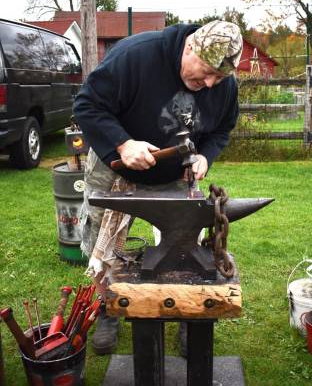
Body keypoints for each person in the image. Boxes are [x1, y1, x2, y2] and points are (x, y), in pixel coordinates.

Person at [73, 19, 243, 356]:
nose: (210, 83)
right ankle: (107, 308)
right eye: (207, 71)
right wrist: (122, 144)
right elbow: (87, 106)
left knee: (184, 246)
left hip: (175, 174)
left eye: (219, 78)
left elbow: (222, 129)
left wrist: (205, 156)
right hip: (114, 165)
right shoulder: (135, 56)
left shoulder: (223, 85)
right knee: (102, 246)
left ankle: (186, 310)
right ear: (191, 46)